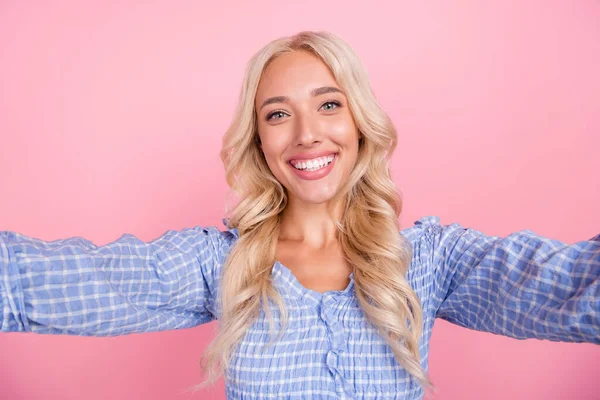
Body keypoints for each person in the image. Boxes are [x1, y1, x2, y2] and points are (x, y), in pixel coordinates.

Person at [0, 31, 598, 400]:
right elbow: (49, 282)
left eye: (329, 105)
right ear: (259, 139)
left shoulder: (430, 259)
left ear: (360, 122)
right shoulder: (221, 264)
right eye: (278, 115)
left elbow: (569, 288)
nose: (308, 135)